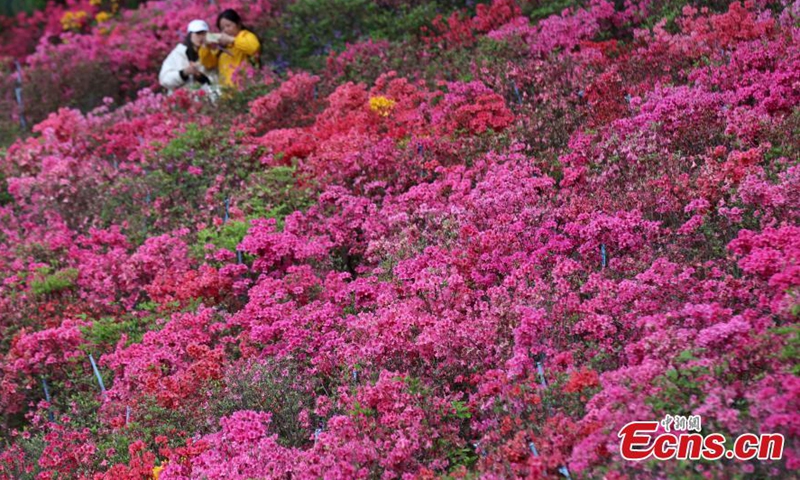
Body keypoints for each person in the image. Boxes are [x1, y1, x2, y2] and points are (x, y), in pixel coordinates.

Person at [199, 9, 261, 88]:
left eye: (228, 26)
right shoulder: (222, 48)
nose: (225, 30)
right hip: (228, 94)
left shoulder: (246, 35)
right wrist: (205, 46)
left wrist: (232, 40)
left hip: (247, 88)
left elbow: (254, 48)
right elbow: (208, 64)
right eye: (222, 28)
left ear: (238, 24)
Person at [159, 20, 219, 99]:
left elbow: (216, 82)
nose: (201, 37)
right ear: (190, 34)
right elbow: (164, 80)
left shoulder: (211, 55)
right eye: (198, 33)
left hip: (205, 103)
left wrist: (201, 77)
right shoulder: (178, 54)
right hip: (181, 103)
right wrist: (184, 73)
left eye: (204, 34)